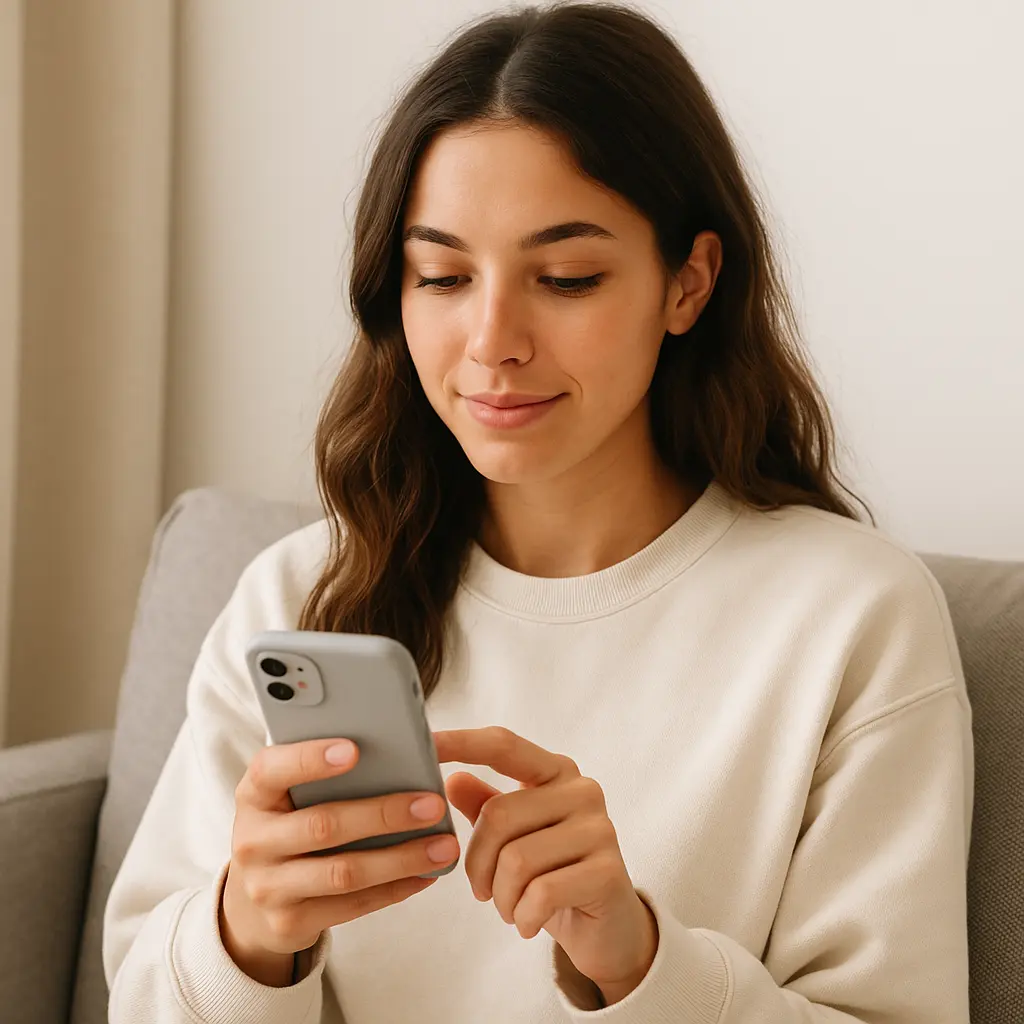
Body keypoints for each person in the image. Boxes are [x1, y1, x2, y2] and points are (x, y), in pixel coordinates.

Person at [102, 2, 973, 1021]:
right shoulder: (299, 597)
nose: (491, 339)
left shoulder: (850, 618)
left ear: (687, 283)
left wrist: (639, 961)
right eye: (442, 275)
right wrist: (247, 935)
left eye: (565, 277)